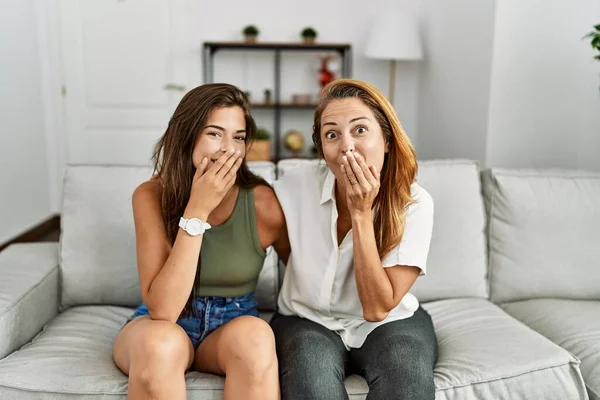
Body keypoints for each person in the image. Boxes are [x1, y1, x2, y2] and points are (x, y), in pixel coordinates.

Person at [112, 83, 288, 400]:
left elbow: (309, 272)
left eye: (238, 137)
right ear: (187, 135)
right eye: (214, 133)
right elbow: (163, 309)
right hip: (164, 324)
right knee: (158, 346)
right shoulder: (150, 196)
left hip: (231, 325)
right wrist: (198, 209)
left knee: (257, 338)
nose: (228, 149)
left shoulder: (264, 204)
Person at [271, 79, 437, 400]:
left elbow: (377, 309)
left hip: (388, 321)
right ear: (322, 150)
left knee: (407, 377)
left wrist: (361, 214)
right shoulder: (296, 184)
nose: (347, 146)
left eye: (360, 130)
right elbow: (266, 230)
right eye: (332, 135)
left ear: (387, 140)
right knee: (310, 375)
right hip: (305, 318)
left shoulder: (414, 203)